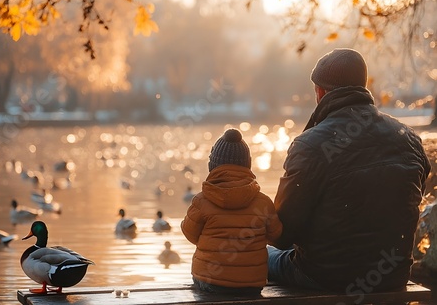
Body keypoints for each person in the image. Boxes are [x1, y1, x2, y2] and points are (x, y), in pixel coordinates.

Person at [267, 48, 431, 296]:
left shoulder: (310, 145)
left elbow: (282, 233)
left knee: (259, 253)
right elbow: (414, 194)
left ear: (320, 92)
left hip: (326, 277)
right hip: (393, 275)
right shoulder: (408, 138)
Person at [181, 128, 282, 295]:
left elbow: (190, 233)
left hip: (210, 280)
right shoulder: (263, 202)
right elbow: (276, 234)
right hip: (252, 284)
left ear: (212, 165)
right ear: (247, 165)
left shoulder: (202, 201)